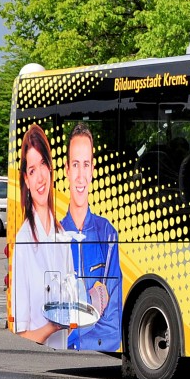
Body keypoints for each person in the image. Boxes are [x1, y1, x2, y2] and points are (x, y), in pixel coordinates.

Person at [61, 123, 122, 352]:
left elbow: (113, 327)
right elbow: (45, 320)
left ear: (93, 170)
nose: (80, 175)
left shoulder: (107, 235)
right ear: (67, 169)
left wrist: (72, 331)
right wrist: (93, 303)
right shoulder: (54, 236)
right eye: (75, 164)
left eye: (85, 165)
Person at [13, 123, 73, 347]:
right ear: (26, 181)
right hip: (40, 363)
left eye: (42, 165)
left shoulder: (62, 235)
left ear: (50, 169)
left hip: (64, 356)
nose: (39, 178)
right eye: (31, 170)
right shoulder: (24, 239)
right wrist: (52, 326)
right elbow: (21, 333)